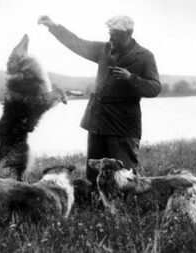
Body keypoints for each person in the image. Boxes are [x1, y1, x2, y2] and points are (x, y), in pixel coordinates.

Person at [38, 15, 162, 187]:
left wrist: (131, 78)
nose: (110, 38)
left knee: (125, 175)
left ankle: (127, 209)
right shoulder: (103, 49)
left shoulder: (145, 56)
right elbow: (77, 43)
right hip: (97, 121)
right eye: (110, 34)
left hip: (123, 124)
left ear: (129, 34)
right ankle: (96, 206)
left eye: (115, 35)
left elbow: (155, 87)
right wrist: (53, 27)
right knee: (95, 173)